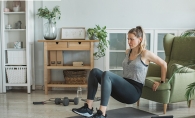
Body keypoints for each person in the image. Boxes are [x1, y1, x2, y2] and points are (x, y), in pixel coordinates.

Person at [72, 26, 167, 118]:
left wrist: (161, 82)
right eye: (128, 39)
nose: (129, 42)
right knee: (94, 72)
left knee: (107, 74)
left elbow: (164, 64)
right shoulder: (128, 52)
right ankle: (88, 108)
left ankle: (102, 113)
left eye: (132, 39)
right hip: (123, 87)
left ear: (140, 39)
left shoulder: (145, 54)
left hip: (133, 92)